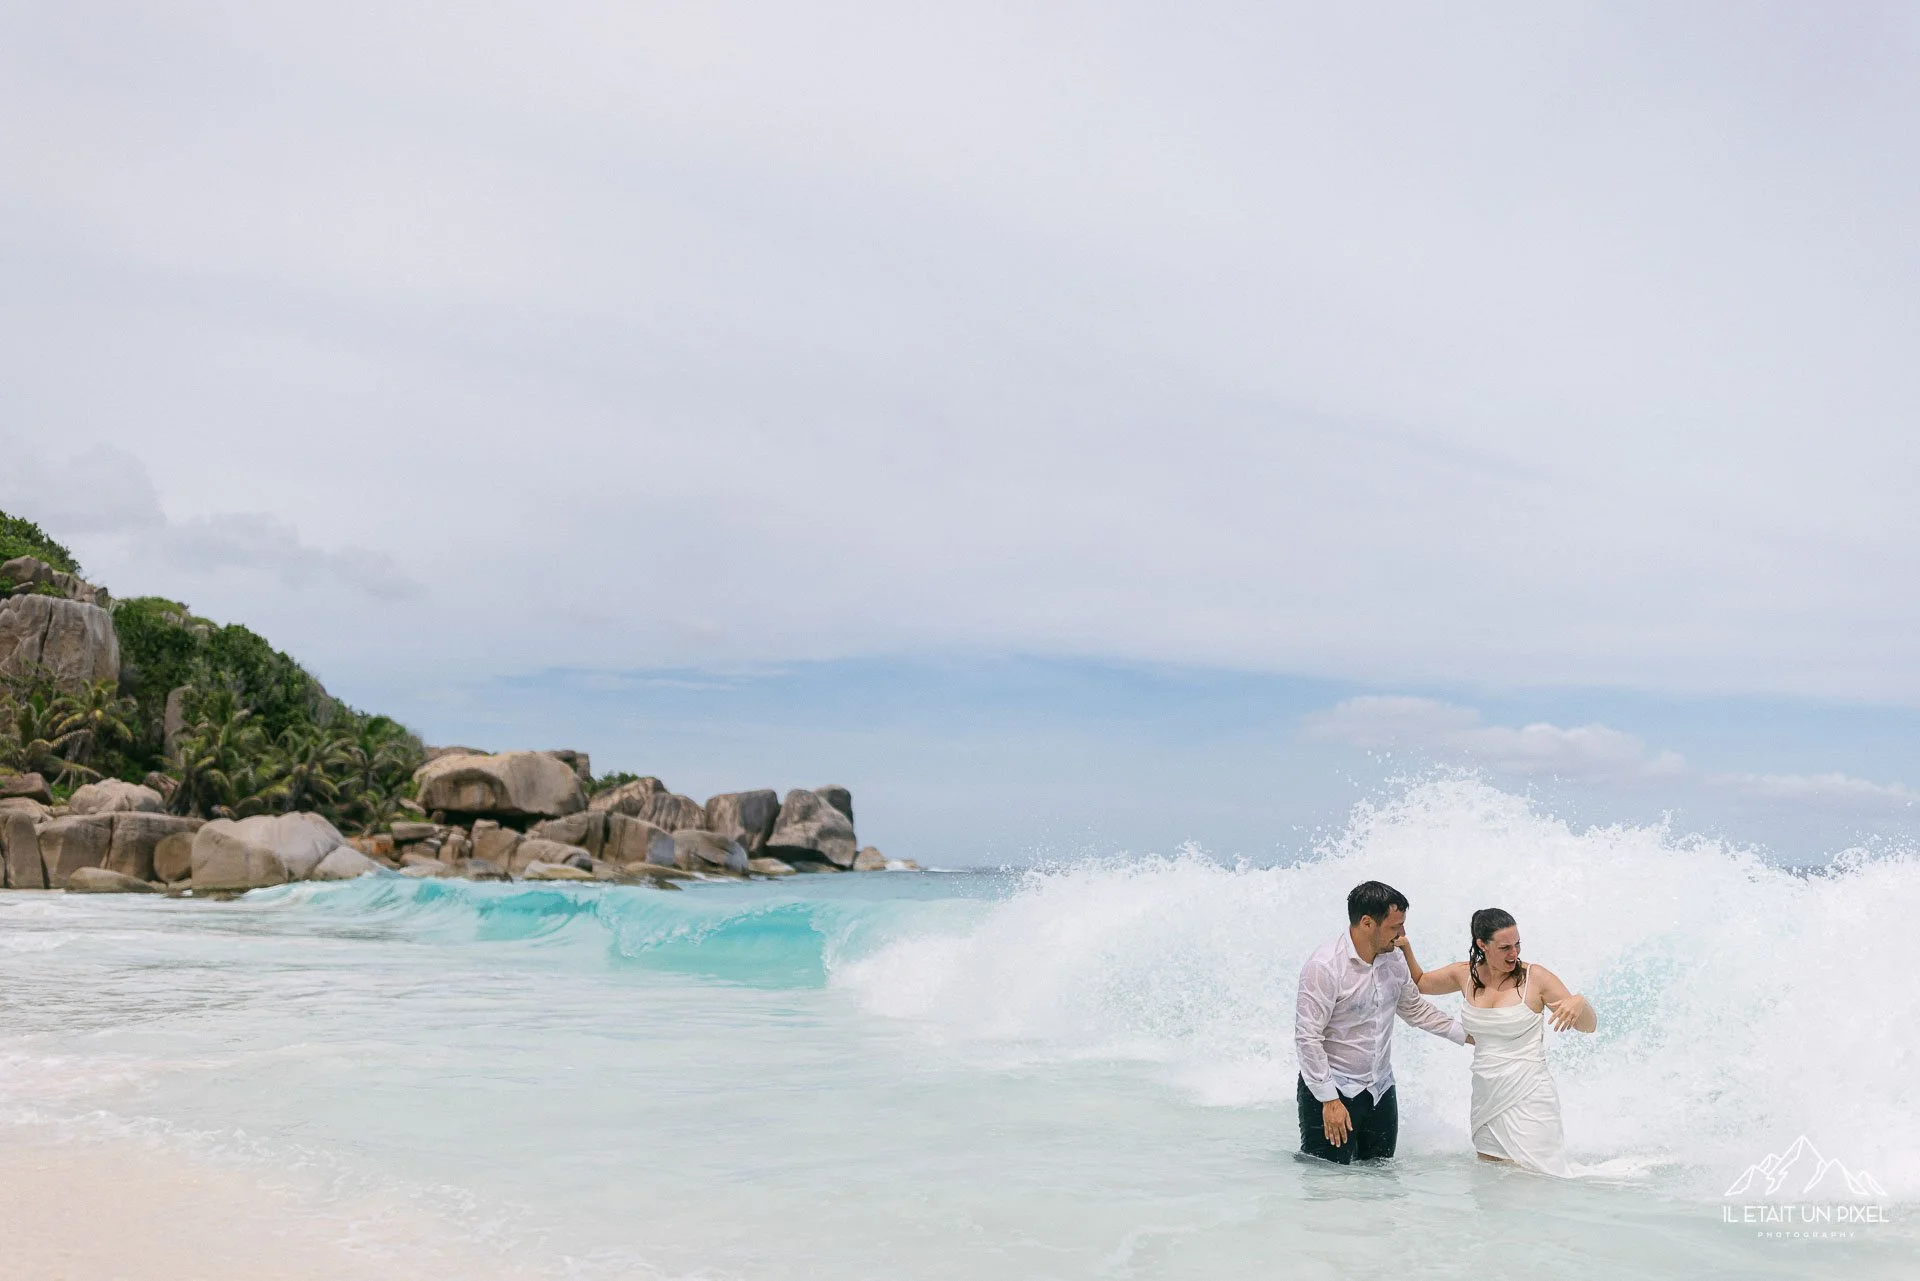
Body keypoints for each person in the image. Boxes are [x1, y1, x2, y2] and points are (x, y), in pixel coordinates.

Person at [1397, 907, 1596, 1177]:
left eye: (1517, 945)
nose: (1514, 954)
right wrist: (1405, 946)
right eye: (1504, 947)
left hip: (1530, 1094)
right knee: (1490, 1180)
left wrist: (1579, 1001)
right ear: (1482, 945)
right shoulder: (1464, 974)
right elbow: (1419, 982)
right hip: (1486, 1095)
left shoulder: (1535, 978)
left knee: (1540, 1179)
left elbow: (1588, 1026)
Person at [1294, 881, 1470, 1163]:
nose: (1402, 935)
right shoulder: (1324, 966)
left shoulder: (1394, 958)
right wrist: (1328, 1100)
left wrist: (1468, 1035)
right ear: (1366, 923)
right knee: (1325, 1183)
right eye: (1395, 927)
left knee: (1380, 1180)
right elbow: (1308, 1037)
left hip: (1379, 1089)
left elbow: (1414, 1009)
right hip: (1333, 1089)